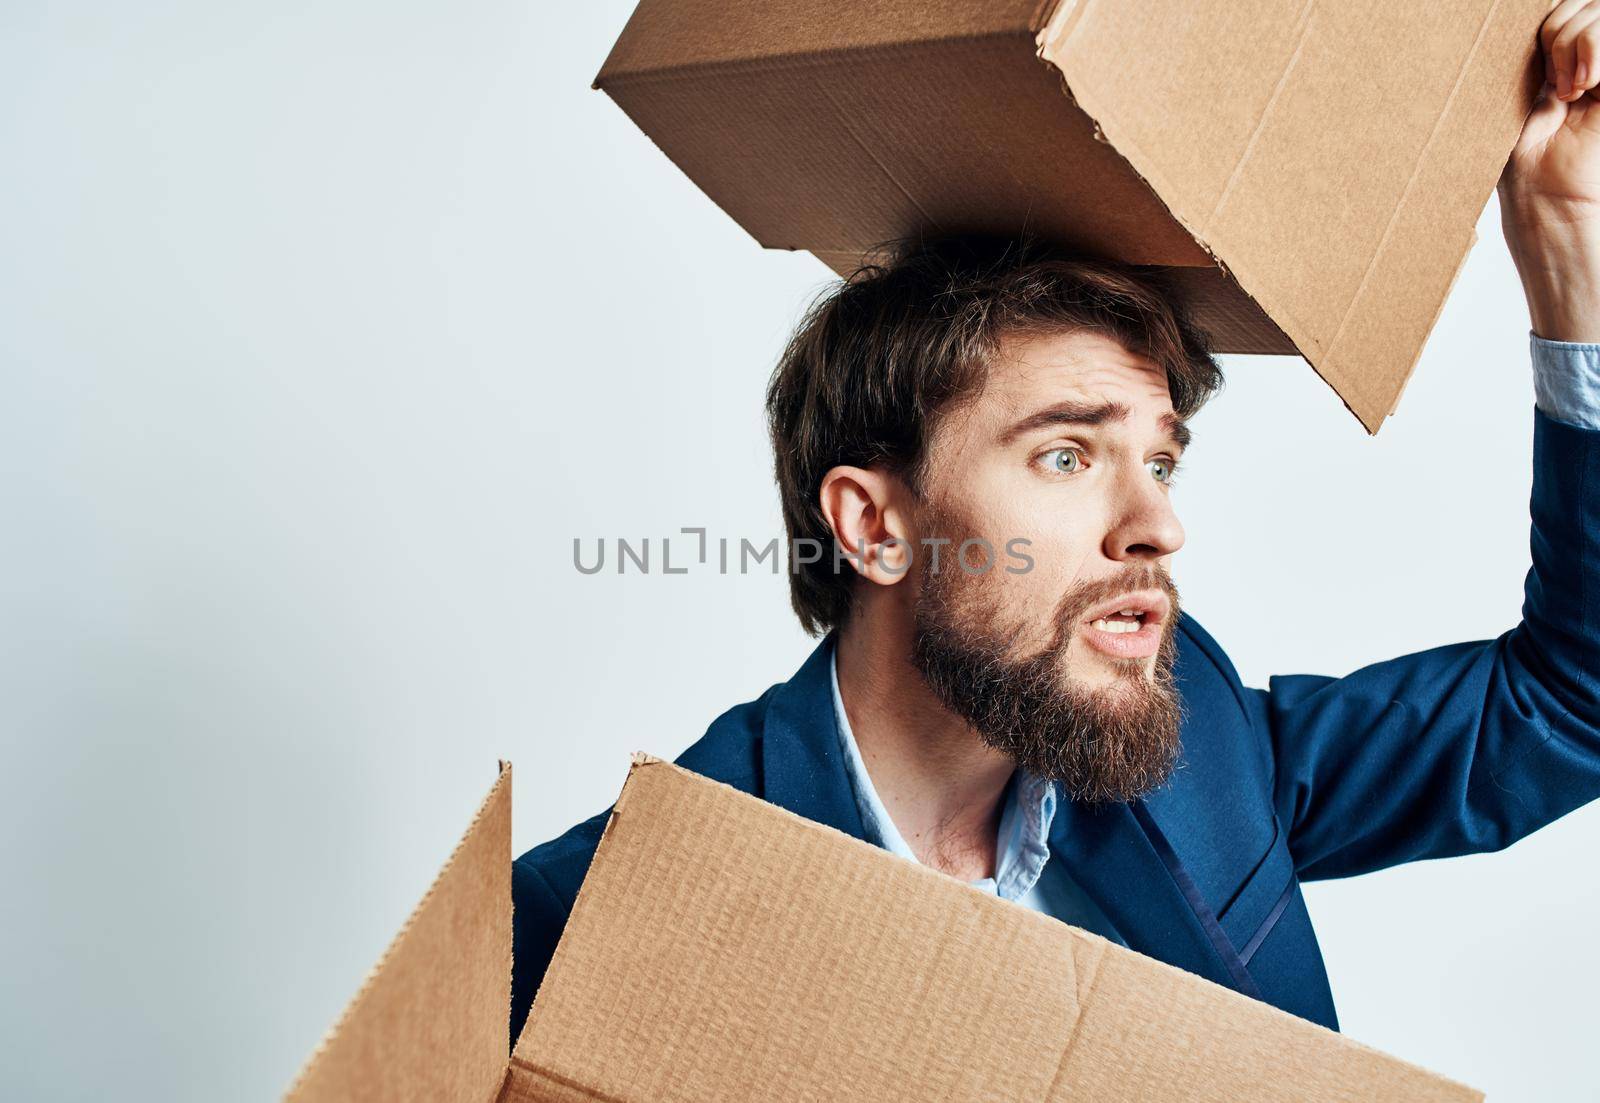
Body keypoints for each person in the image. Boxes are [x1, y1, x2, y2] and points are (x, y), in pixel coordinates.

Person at [511, 4, 1600, 1039]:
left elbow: (1569, 702)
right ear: (874, 525)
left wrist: (1567, 240)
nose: (1157, 523)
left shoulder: (1203, 745)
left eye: (1161, 458)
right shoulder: (600, 912)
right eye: (1067, 453)